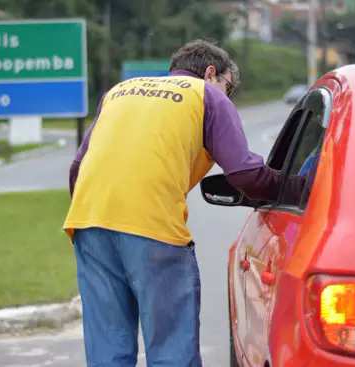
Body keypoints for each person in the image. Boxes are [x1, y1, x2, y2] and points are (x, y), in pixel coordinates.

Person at [63, 40, 291, 367]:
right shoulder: (207, 94)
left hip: (88, 225)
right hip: (152, 229)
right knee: (171, 349)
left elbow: (77, 168)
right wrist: (300, 188)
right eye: (229, 87)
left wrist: (95, 219)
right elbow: (246, 175)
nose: (228, 96)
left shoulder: (120, 91)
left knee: (107, 349)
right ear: (212, 72)